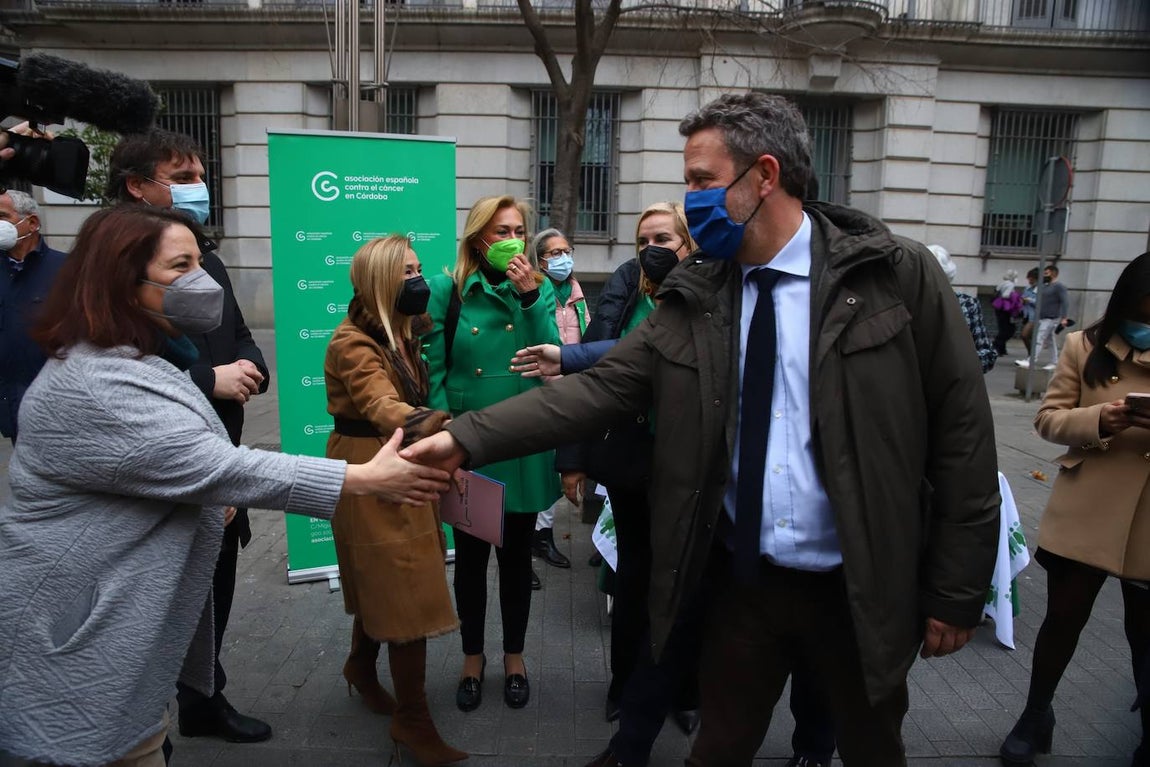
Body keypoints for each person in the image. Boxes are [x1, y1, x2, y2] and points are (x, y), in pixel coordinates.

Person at [403, 92, 1000, 765]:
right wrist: (463, 438)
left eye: (701, 181)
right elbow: (602, 387)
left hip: (859, 590)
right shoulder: (698, 293)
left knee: (870, 747)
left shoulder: (895, 275)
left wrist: (956, 589)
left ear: (765, 175)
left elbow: (963, 435)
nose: (691, 202)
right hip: (741, 584)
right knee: (718, 746)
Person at [0, 205, 451, 767]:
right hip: (76, 653)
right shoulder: (98, 380)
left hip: (118, 656)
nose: (204, 279)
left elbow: (173, 464)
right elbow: (217, 465)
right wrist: (360, 477)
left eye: (200, 261)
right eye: (181, 266)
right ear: (121, 280)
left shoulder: (145, 359)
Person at [515, 202, 704, 766]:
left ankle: (686, 691)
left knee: (687, 585)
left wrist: (570, 357)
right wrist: (573, 459)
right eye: (643, 239)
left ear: (688, 242)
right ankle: (625, 686)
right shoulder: (627, 284)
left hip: (690, 467)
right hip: (631, 462)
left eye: (663, 238)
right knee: (634, 580)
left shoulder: (711, 289)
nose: (652, 249)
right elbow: (597, 377)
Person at [105, 128, 274, 745]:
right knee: (155, 604)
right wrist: (208, 378)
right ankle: (143, 728)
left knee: (214, 586)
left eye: (201, 176)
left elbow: (240, 331)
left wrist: (250, 365)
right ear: (137, 187)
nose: (199, 188)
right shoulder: (112, 272)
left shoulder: (208, 260)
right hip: (159, 470)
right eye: (183, 178)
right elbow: (119, 371)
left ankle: (203, 699)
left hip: (219, 454)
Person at [999, 252, 1150, 767]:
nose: (1144, 326)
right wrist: (1100, 419)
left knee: (1144, 636)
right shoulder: (1084, 346)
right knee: (1062, 621)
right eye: (1140, 313)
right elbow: (1048, 418)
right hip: (1087, 510)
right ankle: (1034, 715)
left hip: (1146, 524)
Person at [323, 234, 465, 765]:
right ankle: (412, 718)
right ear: (380, 281)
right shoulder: (352, 343)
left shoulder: (404, 330)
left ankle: (361, 666)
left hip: (400, 457)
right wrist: (450, 432)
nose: (418, 279)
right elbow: (383, 406)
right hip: (372, 464)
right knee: (403, 583)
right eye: (406, 272)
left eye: (418, 268)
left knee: (385, 576)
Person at [423, 194, 561, 713]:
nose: (512, 241)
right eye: (501, 231)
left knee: (517, 560)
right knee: (471, 562)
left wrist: (530, 296)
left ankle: (515, 657)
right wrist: (446, 433)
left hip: (521, 439)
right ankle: (472, 658)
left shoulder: (539, 287)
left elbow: (552, 354)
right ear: (478, 238)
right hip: (471, 443)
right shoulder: (448, 289)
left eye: (519, 231)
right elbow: (433, 367)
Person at [526, 227, 587, 578]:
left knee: (557, 465)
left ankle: (543, 535)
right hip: (542, 390)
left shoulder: (577, 293)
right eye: (555, 253)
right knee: (537, 466)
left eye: (567, 251)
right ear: (540, 260)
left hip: (572, 390)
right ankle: (527, 543)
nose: (564, 258)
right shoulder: (534, 292)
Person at [0, 190, 67, 444]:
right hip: (10, 402)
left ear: (32, 223)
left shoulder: (68, 269)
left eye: (2, 216)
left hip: (58, 403)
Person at [929, 244, 997, 373]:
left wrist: (957, 364)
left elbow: (987, 355)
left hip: (954, 381)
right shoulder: (906, 306)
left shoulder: (966, 304)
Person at [1031, 264, 1071, 370]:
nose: (1044, 275)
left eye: (1046, 273)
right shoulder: (1045, 286)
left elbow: (1065, 302)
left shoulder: (1059, 286)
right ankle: (1054, 362)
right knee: (1050, 341)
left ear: (1053, 274)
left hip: (1051, 317)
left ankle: (1031, 360)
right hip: (1043, 317)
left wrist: (1064, 317)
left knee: (1039, 338)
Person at [992, 269, 1021, 357]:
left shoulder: (1002, 283)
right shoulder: (1010, 284)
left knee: (1003, 328)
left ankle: (1001, 348)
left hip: (999, 308)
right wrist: (1015, 296)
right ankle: (997, 346)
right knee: (1008, 329)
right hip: (1006, 309)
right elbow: (1006, 295)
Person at [1020, 267, 1040, 354]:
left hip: (1034, 316)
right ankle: (1031, 355)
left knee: (1024, 335)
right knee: (1030, 337)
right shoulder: (1027, 288)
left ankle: (1031, 355)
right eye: (1029, 279)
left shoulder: (1041, 289)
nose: (1030, 281)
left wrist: (1029, 300)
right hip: (1026, 315)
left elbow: (1041, 303)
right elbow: (1023, 298)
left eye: (1032, 280)